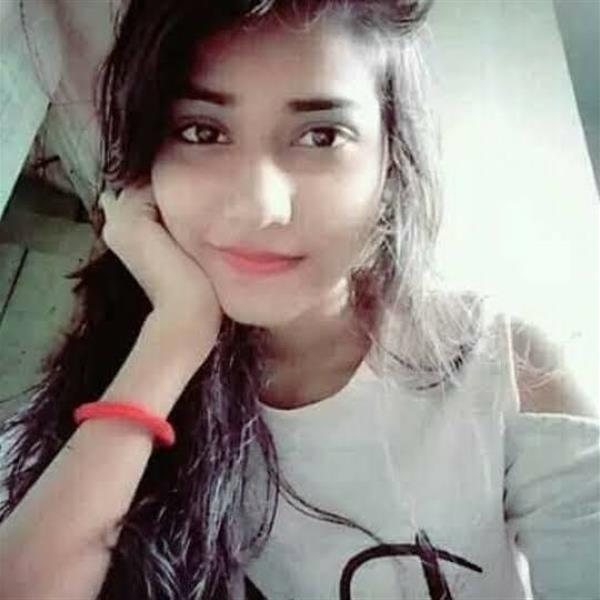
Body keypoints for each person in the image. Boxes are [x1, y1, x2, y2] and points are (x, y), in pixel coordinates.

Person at [0, 1, 598, 599]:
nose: (261, 207)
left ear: (390, 163)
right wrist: (173, 338)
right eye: (202, 131)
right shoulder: (85, 413)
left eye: (321, 136)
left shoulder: (503, 375)